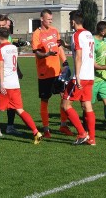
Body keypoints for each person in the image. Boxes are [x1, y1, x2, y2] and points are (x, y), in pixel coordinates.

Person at [0, 27, 43, 145]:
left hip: (4, 84)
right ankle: (36, 132)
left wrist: (1, 83)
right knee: (20, 110)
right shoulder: (13, 48)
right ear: (8, 36)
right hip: (15, 84)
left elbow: (1, 66)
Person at [31, 9, 72, 138]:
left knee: (64, 97)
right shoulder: (37, 34)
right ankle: (46, 129)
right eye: (48, 19)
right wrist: (47, 54)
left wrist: (64, 62)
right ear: (42, 19)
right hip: (44, 73)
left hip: (57, 71)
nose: (50, 21)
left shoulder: (55, 31)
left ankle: (63, 125)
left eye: (51, 19)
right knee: (45, 100)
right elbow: (37, 53)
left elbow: (59, 47)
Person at [58, 11, 93, 145]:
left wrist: (77, 76)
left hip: (80, 76)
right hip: (89, 76)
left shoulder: (77, 35)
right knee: (87, 106)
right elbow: (82, 50)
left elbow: (79, 56)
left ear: (73, 22)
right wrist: (66, 45)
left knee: (65, 105)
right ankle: (92, 138)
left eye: (70, 21)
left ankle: (82, 133)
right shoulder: (88, 34)